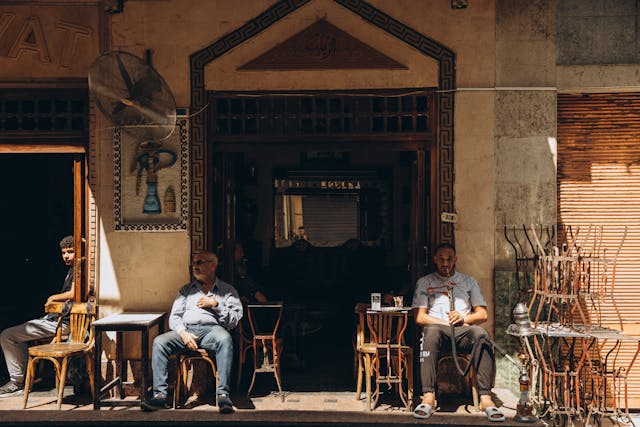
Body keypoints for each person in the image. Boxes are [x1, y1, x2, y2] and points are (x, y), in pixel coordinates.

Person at [411, 243, 505, 422]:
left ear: (455, 260)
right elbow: (420, 318)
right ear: (435, 260)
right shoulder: (425, 282)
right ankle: (428, 396)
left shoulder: (469, 282)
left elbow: (483, 314)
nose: (445, 263)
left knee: (482, 335)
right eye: (441, 259)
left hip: (463, 331)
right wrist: (445, 322)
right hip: (438, 331)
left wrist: (463, 318)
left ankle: (486, 398)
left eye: (449, 259)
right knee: (430, 332)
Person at [141, 251, 242, 413]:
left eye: (200, 262)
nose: (195, 266)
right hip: (187, 330)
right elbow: (174, 317)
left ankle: (223, 394)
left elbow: (233, 321)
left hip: (213, 331)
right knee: (159, 342)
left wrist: (216, 304)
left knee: (225, 339)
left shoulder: (227, 290)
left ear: (213, 265)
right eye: (194, 263)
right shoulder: (186, 290)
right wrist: (183, 333)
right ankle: (160, 395)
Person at [0, 235, 76, 397]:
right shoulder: (72, 270)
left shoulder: (79, 270)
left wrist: (53, 298)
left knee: (7, 335)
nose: (66, 256)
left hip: (64, 324)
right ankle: (22, 376)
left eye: (70, 252)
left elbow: (74, 293)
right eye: (63, 253)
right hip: (58, 320)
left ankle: (17, 381)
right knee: (13, 334)